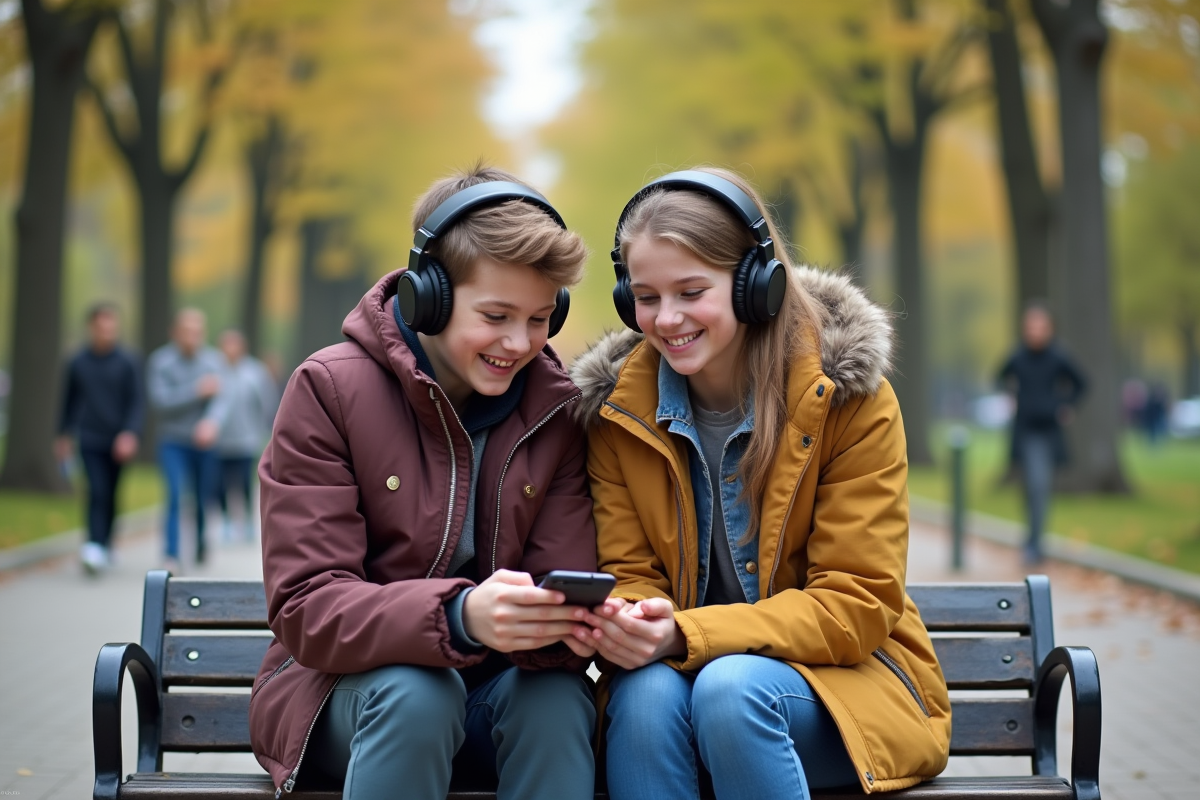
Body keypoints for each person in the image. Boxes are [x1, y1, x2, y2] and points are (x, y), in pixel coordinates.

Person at [568, 168, 951, 800]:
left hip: (844, 689)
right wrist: (633, 617)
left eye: (692, 291)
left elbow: (857, 603)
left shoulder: (849, 400)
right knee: (640, 697)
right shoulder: (616, 414)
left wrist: (689, 635)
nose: (666, 319)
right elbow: (630, 573)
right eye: (646, 296)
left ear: (756, 285)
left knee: (732, 691)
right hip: (686, 685)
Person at [248, 165, 599, 800]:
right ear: (426, 296)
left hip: (490, 698)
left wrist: (570, 626)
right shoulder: (327, 391)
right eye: (495, 315)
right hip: (341, 694)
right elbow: (307, 605)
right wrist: (459, 617)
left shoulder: (558, 413)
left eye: (541, 318)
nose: (520, 343)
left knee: (556, 699)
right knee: (418, 691)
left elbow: (563, 590)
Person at [55, 303, 143, 574]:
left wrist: (130, 433)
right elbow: (68, 400)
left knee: (112, 493)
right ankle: (93, 545)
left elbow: (136, 401)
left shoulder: (128, 361)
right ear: (91, 327)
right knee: (96, 490)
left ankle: (107, 542)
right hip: (89, 436)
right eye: (102, 326)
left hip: (118, 439)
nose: (107, 332)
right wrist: (62, 435)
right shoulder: (78, 361)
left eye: (111, 326)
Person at [997, 303, 1086, 564]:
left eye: (1040, 326)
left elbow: (1081, 384)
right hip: (1024, 431)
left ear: (1050, 329)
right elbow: (1000, 377)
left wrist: (1066, 405)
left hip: (1047, 432)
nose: (1036, 332)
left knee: (1039, 485)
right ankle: (1032, 539)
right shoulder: (1018, 356)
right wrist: (1011, 396)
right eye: (1031, 326)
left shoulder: (1058, 357)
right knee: (1030, 487)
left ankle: (1035, 544)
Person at [146, 308, 228, 570]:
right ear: (175, 333)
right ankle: (171, 554)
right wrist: (196, 391)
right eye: (187, 331)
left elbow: (223, 400)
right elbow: (160, 401)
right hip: (173, 441)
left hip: (204, 442)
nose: (193, 337)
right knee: (175, 494)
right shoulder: (160, 362)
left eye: (197, 332)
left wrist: (212, 423)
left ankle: (202, 541)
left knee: (203, 497)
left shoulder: (214, 361)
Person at [212, 329, 277, 542]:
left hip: (247, 437)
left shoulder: (255, 372)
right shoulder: (214, 369)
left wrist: (265, 428)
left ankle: (248, 521)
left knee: (244, 482)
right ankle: (226, 521)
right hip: (220, 439)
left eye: (235, 344)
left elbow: (266, 402)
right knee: (220, 482)